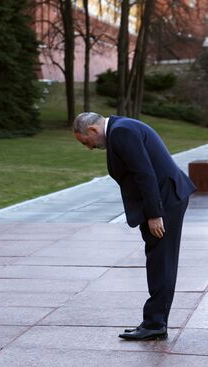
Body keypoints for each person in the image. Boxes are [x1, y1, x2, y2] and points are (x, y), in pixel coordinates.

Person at [73, 112, 196, 341]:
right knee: (160, 260)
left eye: (86, 142)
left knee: (161, 261)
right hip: (167, 198)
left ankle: (155, 324)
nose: (89, 148)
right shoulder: (122, 127)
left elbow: (144, 173)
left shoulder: (122, 131)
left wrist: (154, 214)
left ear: (92, 130)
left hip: (164, 202)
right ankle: (154, 322)